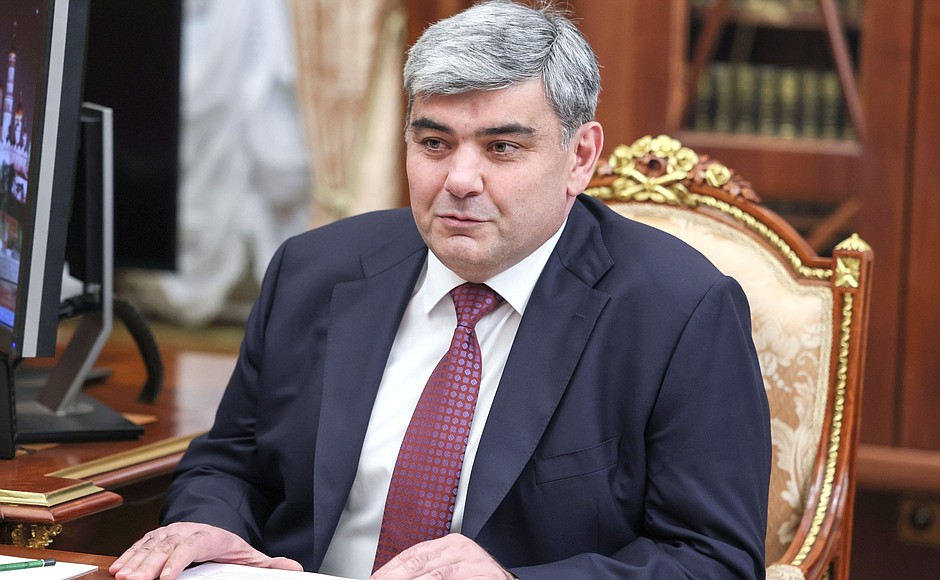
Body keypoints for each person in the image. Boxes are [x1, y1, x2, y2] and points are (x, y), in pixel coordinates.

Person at [111, 1, 771, 579]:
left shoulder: (678, 312)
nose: (459, 179)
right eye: (434, 142)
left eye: (502, 148)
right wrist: (208, 526)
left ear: (579, 157)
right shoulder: (314, 270)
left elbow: (713, 560)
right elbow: (230, 465)